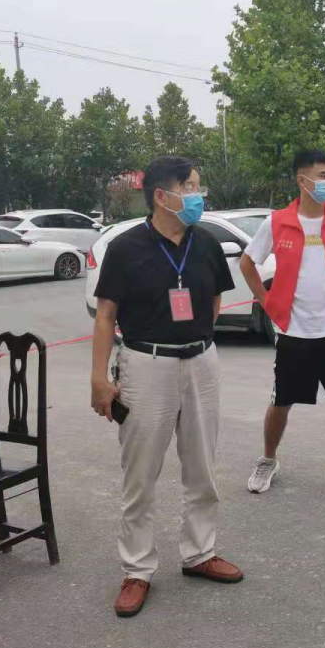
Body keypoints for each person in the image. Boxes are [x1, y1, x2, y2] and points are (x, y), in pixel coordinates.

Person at [90, 155, 244, 620]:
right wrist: (100, 378)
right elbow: (105, 315)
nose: (198, 196)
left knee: (202, 467)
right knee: (140, 474)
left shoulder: (207, 243)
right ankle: (137, 570)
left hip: (201, 363)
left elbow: (214, 301)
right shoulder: (126, 247)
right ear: (161, 195)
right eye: (190, 187)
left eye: (198, 187)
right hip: (145, 364)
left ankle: (200, 553)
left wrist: (195, 342)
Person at [240, 149, 325, 499]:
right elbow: (247, 263)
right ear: (303, 181)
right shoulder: (278, 222)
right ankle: (268, 459)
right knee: (281, 401)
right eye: (323, 176)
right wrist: (267, 302)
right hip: (293, 331)